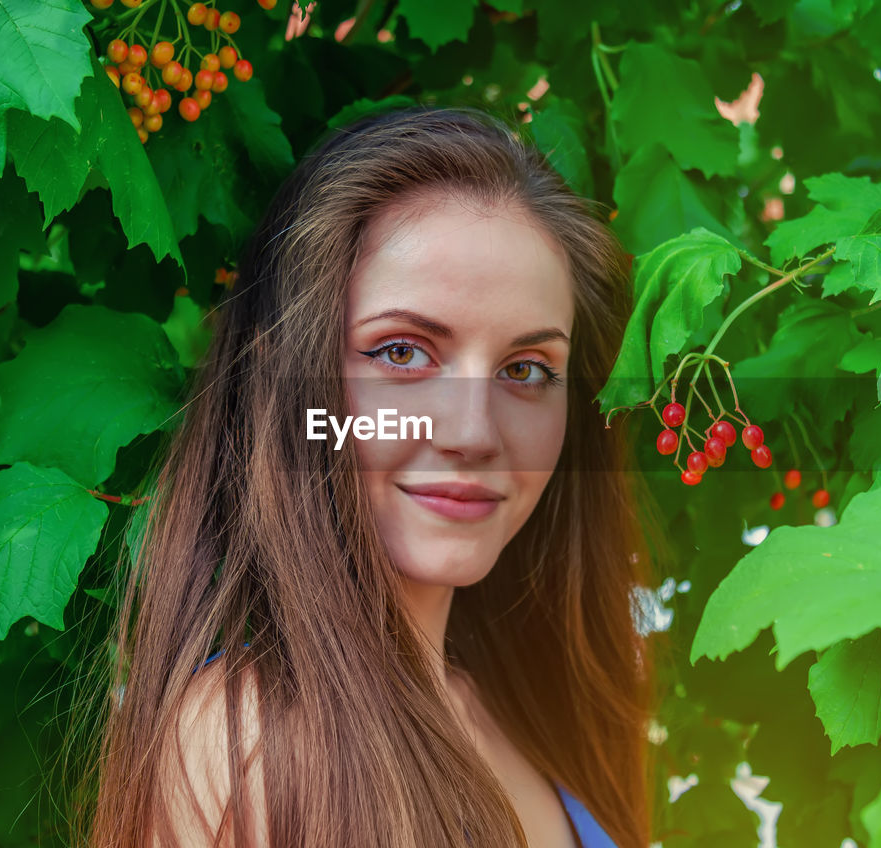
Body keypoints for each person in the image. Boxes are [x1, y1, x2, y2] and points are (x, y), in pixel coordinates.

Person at [75, 104, 658, 848]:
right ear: (288, 379)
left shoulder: (534, 717)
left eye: (525, 369)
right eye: (402, 353)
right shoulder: (239, 747)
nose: (474, 433)